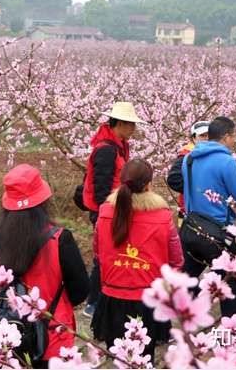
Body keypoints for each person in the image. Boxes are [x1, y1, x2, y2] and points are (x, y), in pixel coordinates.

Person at [0, 164, 89, 367]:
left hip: (10, 336)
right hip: (53, 340)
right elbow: (80, 292)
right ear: (43, 200)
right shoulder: (59, 239)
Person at [92, 159, 183, 359]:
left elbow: (98, 253)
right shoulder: (162, 216)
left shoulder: (105, 212)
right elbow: (177, 261)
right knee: (144, 357)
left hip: (112, 296)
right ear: (148, 184)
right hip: (148, 299)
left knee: (116, 355)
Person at [179, 116, 236, 317]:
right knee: (231, 286)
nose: (234, 141)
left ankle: (178, 320)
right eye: (233, 136)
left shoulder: (188, 159)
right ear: (225, 137)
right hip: (218, 234)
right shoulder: (227, 161)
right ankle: (231, 334)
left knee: (185, 278)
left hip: (191, 229)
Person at [81, 102, 145, 318]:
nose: (133, 129)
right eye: (131, 125)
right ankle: (93, 302)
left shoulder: (117, 145)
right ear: (121, 124)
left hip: (113, 209)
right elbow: (102, 187)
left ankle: (102, 299)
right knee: (103, 257)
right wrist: (105, 216)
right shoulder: (107, 150)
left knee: (109, 255)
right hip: (106, 212)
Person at [167, 121, 210, 218]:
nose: (207, 139)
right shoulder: (186, 156)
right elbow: (174, 179)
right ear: (194, 138)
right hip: (190, 211)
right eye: (203, 136)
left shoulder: (214, 155)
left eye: (209, 136)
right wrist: (196, 189)